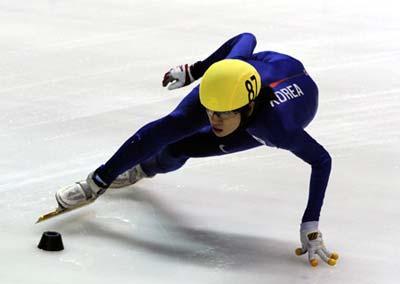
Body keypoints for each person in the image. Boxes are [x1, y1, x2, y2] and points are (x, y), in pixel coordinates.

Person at [56, 33, 339, 267]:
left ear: (248, 108)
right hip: (252, 72)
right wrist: (196, 70)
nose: (213, 120)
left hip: (292, 100)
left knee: (183, 147)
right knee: (174, 127)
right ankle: (117, 174)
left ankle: (144, 168)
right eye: (209, 111)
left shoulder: (276, 129)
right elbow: (246, 37)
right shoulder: (224, 81)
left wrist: (309, 225)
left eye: (221, 115)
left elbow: (322, 161)